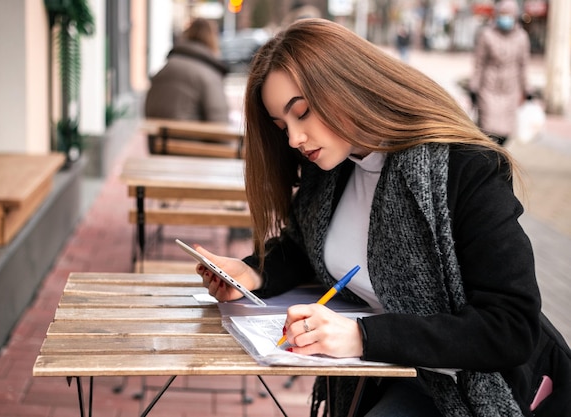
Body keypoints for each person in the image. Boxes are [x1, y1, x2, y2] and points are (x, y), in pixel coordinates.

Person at [194, 18, 571, 416]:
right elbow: (306, 246)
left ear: (348, 87)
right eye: (281, 125)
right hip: (388, 375)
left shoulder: (463, 169)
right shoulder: (332, 169)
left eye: (302, 113)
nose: (293, 138)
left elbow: (511, 328)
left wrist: (362, 336)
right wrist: (253, 275)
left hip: (474, 389)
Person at [469, 0, 531, 146]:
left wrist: (527, 89)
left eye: (508, 14)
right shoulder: (486, 34)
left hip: (510, 88)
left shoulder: (522, 37)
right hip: (488, 87)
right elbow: (479, 63)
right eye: (502, 14)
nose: (505, 17)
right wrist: (473, 87)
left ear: (515, 15)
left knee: (505, 132)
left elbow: (524, 65)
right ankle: (489, 161)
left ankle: (499, 157)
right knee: (487, 129)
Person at [144, 18, 229, 123]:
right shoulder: (208, 74)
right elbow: (220, 122)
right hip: (190, 138)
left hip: (160, 138)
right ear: (213, 39)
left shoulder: (165, 68)